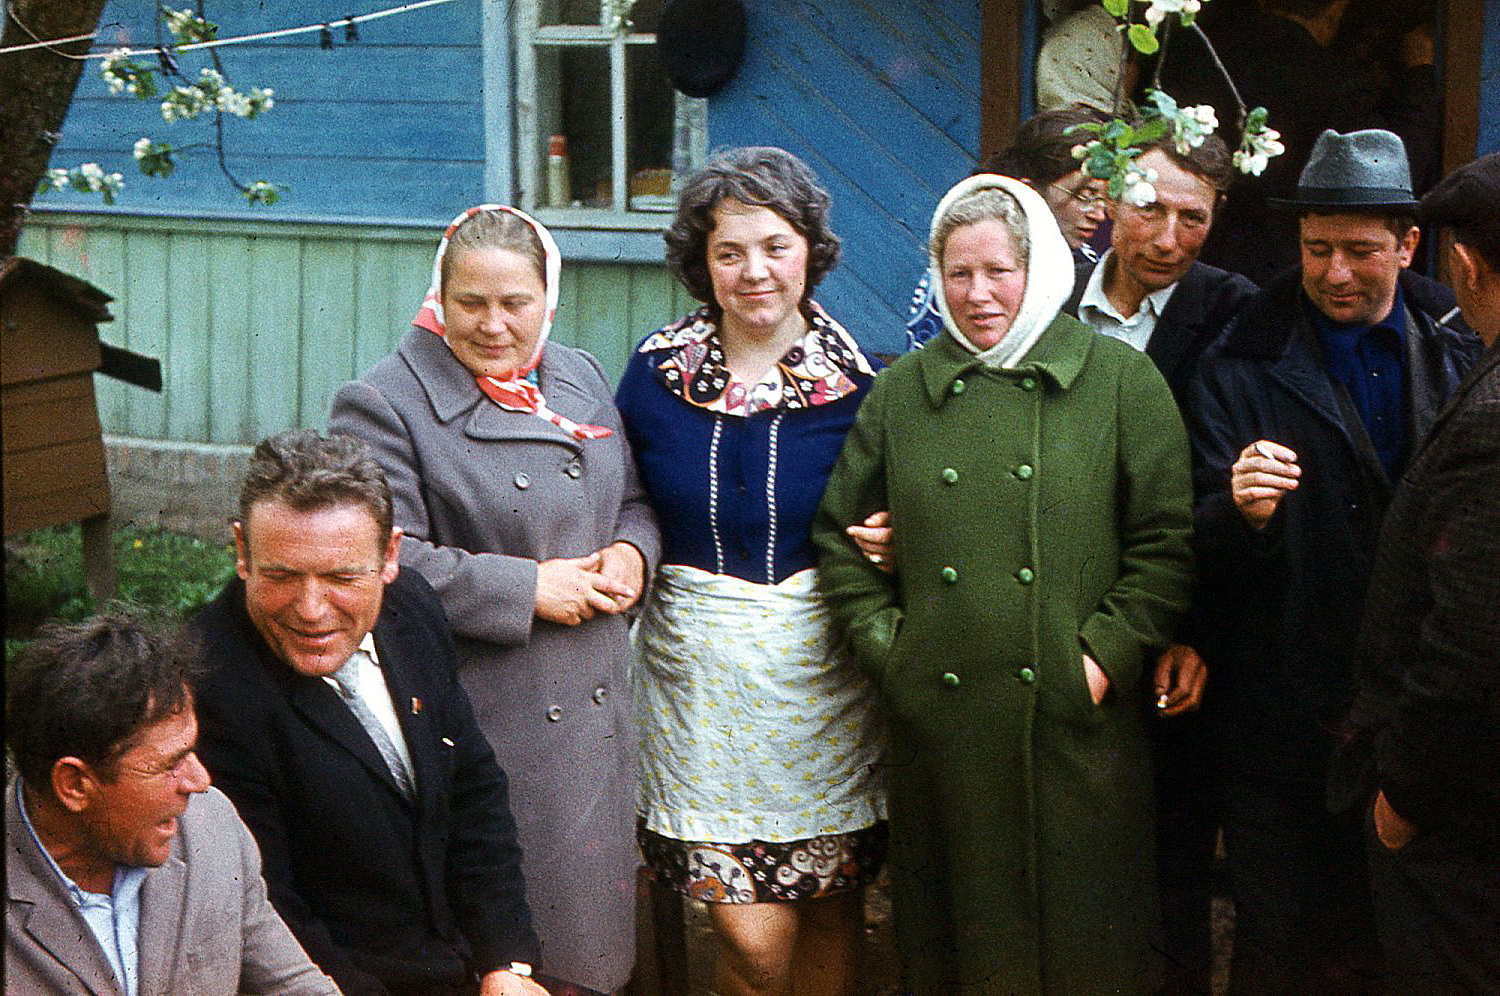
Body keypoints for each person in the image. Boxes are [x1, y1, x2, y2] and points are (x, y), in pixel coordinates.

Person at [814, 172, 1194, 993]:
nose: (978, 294)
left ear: (1040, 268)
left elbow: (1165, 546)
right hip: (944, 727)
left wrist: (1099, 660)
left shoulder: (1119, 381)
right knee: (960, 954)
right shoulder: (902, 392)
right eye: (959, 273)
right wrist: (895, 654)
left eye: (999, 271)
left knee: (1083, 953)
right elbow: (840, 542)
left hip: (1072, 728)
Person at [329, 205, 659, 994]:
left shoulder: (577, 376)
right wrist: (527, 588)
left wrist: (632, 553)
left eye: (515, 302)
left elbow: (633, 500)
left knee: (607, 949)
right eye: (471, 302)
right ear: (439, 296)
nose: (493, 324)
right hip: (496, 719)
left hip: (601, 716)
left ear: (550, 299)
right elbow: (380, 559)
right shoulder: (384, 402)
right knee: (528, 953)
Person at [1184, 128, 1480, 995]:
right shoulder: (1238, 355)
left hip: (1417, 724)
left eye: (1360, 251)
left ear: (1409, 244)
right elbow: (1190, 544)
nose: (1335, 273)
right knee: (1279, 955)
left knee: (1404, 955)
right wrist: (1240, 513)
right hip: (1283, 726)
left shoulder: (1463, 340)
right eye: (1317, 249)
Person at [614, 146, 886, 996]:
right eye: (729, 251)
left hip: (824, 684)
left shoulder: (862, 383)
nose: (754, 271)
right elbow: (620, 497)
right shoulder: (655, 373)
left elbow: (901, 508)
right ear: (701, 263)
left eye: (775, 246)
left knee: (830, 909)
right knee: (756, 942)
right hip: (698, 689)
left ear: (811, 250)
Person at [192, 429, 547, 996]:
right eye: (282, 576)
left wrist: (505, 962)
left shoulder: (413, 608)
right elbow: (268, 911)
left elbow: (473, 791)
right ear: (242, 551)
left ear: (390, 557)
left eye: (341, 578)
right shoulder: (207, 683)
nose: (311, 610)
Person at [1063, 129, 1257, 994]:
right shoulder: (1048, 295)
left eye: (1194, 219)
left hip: (1173, 629)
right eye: (1149, 209)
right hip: (1057, 612)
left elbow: (1228, 495)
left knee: (1170, 857)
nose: (1170, 239)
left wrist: (1197, 632)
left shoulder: (1236, 311)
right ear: (1108, 196)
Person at [1329, 151, 1500, 992]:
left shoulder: (1492, 418)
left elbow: (1471, 647)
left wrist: (1401, 803)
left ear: (1462, 263)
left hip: (1462, 822)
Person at [6, 610, 340, 996]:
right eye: (170, 764)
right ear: (75, 784)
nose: (200, 781)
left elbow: (294, 984)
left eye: (192, 751)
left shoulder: (211, 827)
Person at [1158, 0, 1440, 285]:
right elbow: (1391, 173)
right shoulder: (1331, 80)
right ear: (1336, 9)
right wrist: (1420, 71)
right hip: (1284, 272)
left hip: (1189, 260)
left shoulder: (1193, 51)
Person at [907, 106, 1111, 350]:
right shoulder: (956, 277)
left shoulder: (1091, 265)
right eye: (1086, 196)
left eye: (1105, 199)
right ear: (1030, 190)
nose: (1099, 214)